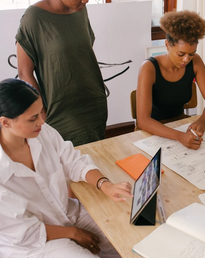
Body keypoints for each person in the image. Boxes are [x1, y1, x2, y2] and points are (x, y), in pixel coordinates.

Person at [0, 78, 132, 258]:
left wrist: (105, 184)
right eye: (33, 118)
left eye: (41, 113)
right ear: (5, 122)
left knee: (128, 238)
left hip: (69, 214)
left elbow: (73, 161)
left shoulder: (41, 131)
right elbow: (25, 232)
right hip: (34, 244)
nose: (41, 122)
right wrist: (74, 233)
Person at [16, 0, 107, 147]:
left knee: (97, 158)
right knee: (68, 164)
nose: (85, 0)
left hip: (93, 101)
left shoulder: (80, 9)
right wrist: (40, 112)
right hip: (61, 108)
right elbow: (25, 72)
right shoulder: (34, 18)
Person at [136, 10, 205, 149]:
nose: (186, 60)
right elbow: (143, 121)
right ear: (168, 45)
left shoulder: (195, 62)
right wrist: (179, 136)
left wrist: (201, 122)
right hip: (152, 132)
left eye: (191, 54)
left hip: (181, 125)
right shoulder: (149, 68)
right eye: (181, 54)